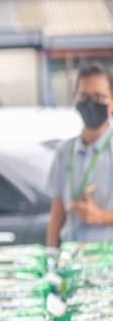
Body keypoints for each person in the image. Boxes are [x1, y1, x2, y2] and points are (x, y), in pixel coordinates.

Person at [47, 62, 113, 246]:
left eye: (99, 97)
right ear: (75, 98)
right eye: (84, 96)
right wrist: (51, 253)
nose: (91, 103)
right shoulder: (65, 151)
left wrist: (101, 216)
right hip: (72, 258)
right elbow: (57, 210)